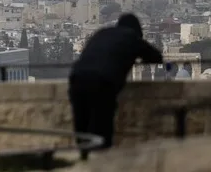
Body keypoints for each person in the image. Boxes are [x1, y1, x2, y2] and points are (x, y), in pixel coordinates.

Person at [69, 13, 163, 156]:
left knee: (82, 130)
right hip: (102, 83)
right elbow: (156, 57)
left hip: (77, 79)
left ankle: (83, 161)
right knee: (101, 131)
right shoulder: (131, 38)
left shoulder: (102, 33)